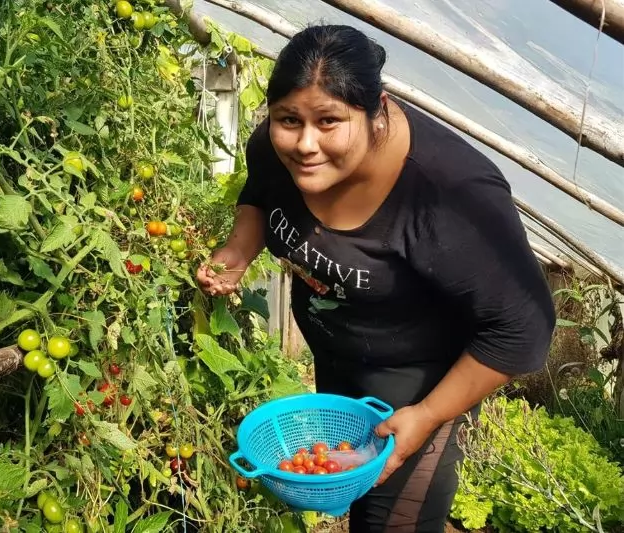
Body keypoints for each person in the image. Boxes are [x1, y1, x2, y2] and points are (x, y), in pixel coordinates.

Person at [195, 25, 556, 532]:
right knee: (353, 507)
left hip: (420, 386)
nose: (304, 144)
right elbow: (260, 194)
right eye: (288, 120)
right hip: (339, 365)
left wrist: (427, 417)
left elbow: (523, 330)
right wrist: (237, 251)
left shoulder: (450, 194)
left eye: (330, 121)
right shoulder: (275, 149)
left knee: (390, 521)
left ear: (376, 110)